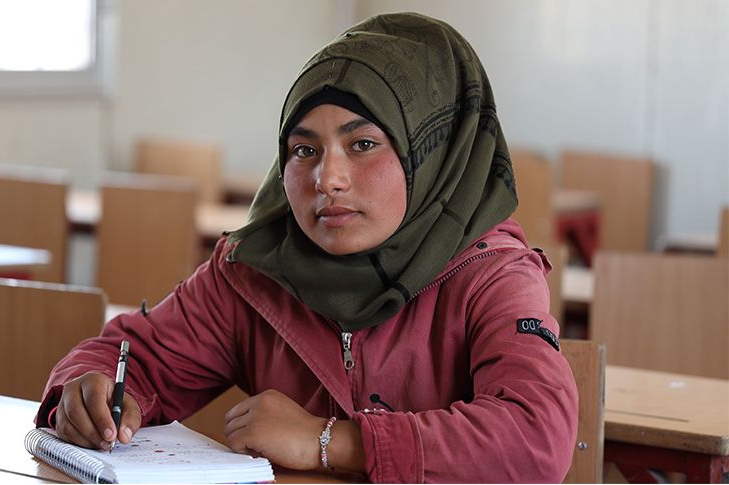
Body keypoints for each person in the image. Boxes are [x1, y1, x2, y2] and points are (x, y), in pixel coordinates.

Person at [36, 12, 578, 483]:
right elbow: (135, 355)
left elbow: (536, 437)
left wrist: (330, 442)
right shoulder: (255, 270)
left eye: (362, 144)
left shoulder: (491, 274)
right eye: (304, 150)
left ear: (430, 154)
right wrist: (85, 391)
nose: (328, 178)